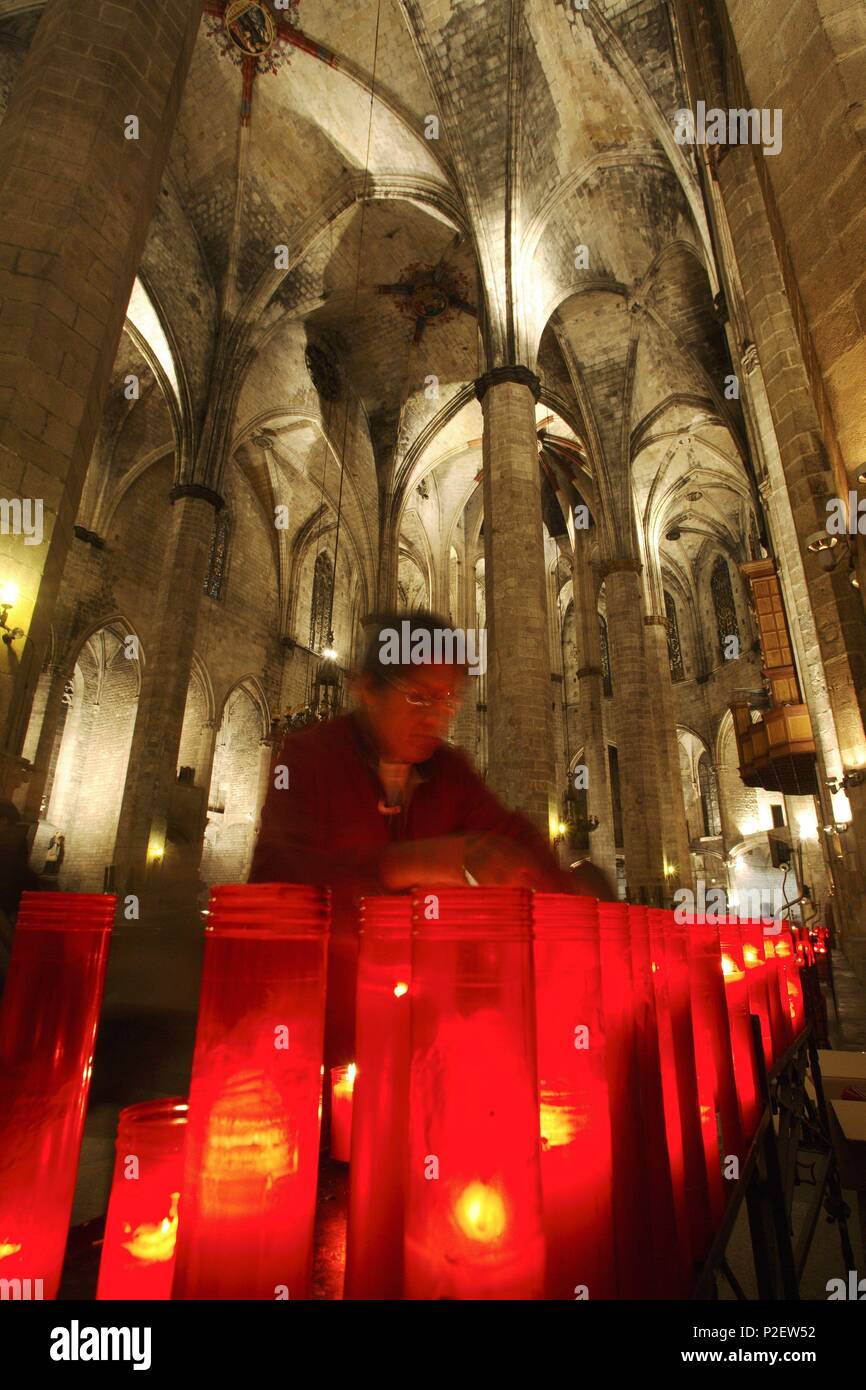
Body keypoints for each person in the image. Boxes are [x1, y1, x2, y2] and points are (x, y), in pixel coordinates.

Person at [250, 610, 613, 1076]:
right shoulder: (306, 760)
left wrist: (572, 893)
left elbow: (511, 840)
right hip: (312, 1044)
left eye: (448, 701)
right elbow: (273, 888)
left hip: (420, 1044)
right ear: (366, 689)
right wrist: (409, 863)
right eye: (420, 697)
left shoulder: (449, 772)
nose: (437, 718)